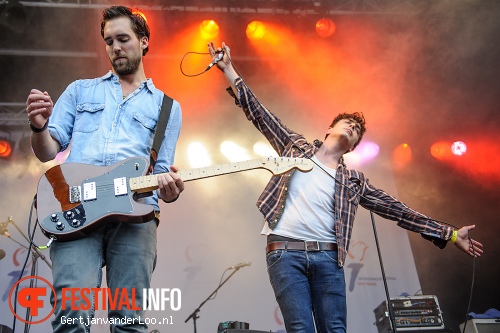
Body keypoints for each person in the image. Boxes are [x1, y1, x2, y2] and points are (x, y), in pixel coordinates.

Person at [208, 42, 483, 333]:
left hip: (328, 257)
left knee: (335, 330)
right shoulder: (295, 147)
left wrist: (450, 234)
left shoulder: (353, 181)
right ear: (329, 129)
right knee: (300, 329)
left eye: (357, 131)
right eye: (348, 123)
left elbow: (397, 209)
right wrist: (228, 68)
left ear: (352, 147)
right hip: (285, 252)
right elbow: (261, 115)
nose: (353, 127)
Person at [25, 6, 184, 332]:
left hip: (136, 218)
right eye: (109, 41)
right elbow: (47, 152)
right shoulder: (80, 90)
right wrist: (39, 128)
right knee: (72, 316)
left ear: (144, 41)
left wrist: (170, 190)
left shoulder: (167, 106)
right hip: (75, 210)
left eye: (123, 39)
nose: (115, 47)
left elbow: (162, 171)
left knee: (128, 322)